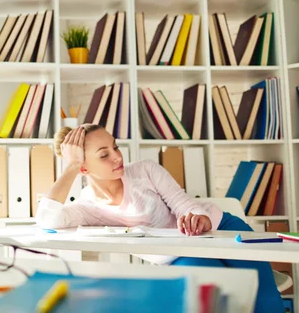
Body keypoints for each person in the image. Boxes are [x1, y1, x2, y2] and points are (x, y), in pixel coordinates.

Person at [36, 124, 283, 313]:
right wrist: (70, 167)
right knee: (217, 301)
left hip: (222, 228)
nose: (117, 157)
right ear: (83, 168)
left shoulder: (144, 170)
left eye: (116, 146)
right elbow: (48, 219)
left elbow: (183, 203)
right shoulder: (88, 206)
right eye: (104, 155)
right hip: (180, 254)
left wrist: (197, 217)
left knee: (264, 298)